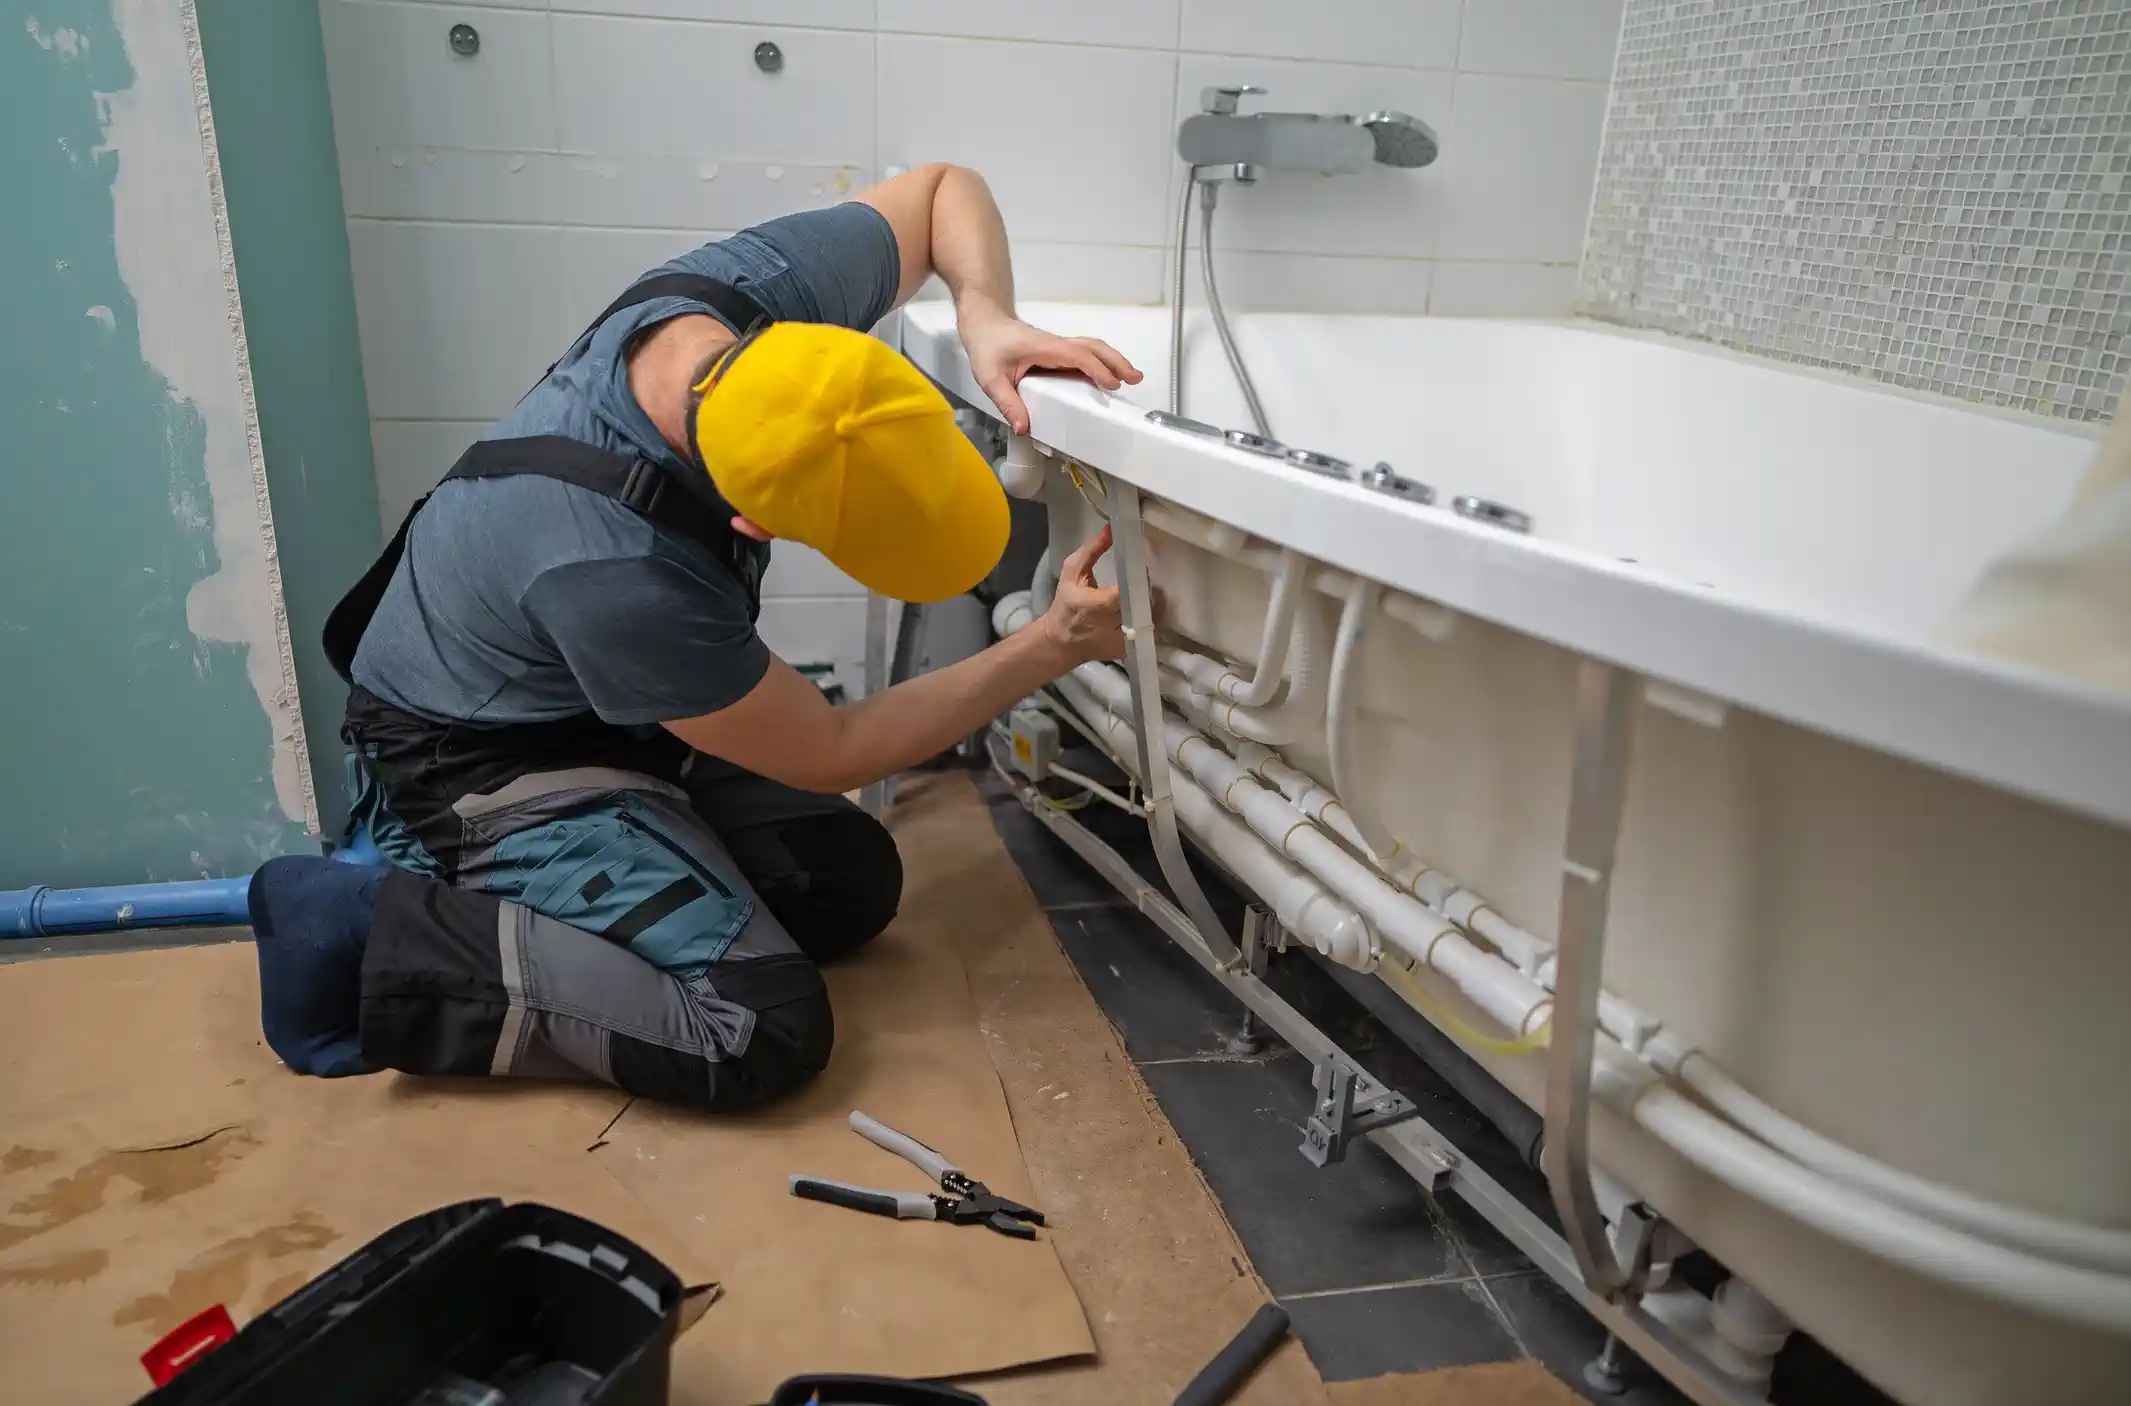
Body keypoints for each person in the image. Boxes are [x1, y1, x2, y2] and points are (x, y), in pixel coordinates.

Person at [246, 165, 1141, 1111]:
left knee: (846, 882)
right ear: (752, 524)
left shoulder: (745, 301)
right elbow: (834, 749)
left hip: (588, 700)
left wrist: (986, 317)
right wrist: (1051, 643)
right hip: (473, 759)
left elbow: (939, 192)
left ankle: (598, 866)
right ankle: (361, 926)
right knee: (756, 1028)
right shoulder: (618, 573)